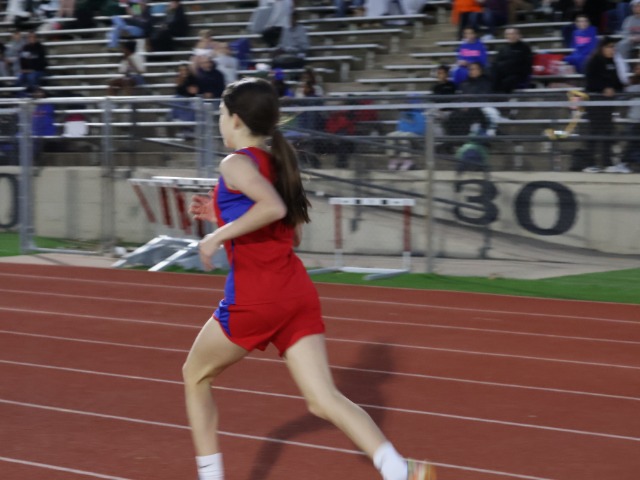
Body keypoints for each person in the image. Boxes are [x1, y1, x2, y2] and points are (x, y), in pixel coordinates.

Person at [183, 77, 436, 480]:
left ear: (236, 119)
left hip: (256, 296)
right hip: (296, 293)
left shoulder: (234, 163)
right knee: (323, 399)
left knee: (195, 375)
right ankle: (398, 469)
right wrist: (222, 215)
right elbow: (290, 232)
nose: (219, 122)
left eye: (220, 114)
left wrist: (216, 236)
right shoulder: (278, 162)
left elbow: (273, 208)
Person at [582, 37, 625, 172]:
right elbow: (590, 82)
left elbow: (617, 82)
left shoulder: (612, 62)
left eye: (613, 47)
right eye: (610, 47)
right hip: (595, 103)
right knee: (594, 131)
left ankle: (607, 162)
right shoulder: (593, 61)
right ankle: (589, 163)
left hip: (608, 104)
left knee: (607, 131)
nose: (613, 50)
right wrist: (603, 89)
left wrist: (615, 88)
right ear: (602, 48)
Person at [491, 28, 533, 93]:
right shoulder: (502, 48)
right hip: (503, 73)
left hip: (518, 74)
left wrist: (507, 65)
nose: (511, 36)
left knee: (508, 81)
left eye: (513, 34)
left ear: (519, 35)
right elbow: (496, 62)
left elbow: (525, 64)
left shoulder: (525, 48)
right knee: (493, 76)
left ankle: (502, 97)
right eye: (508, 34)